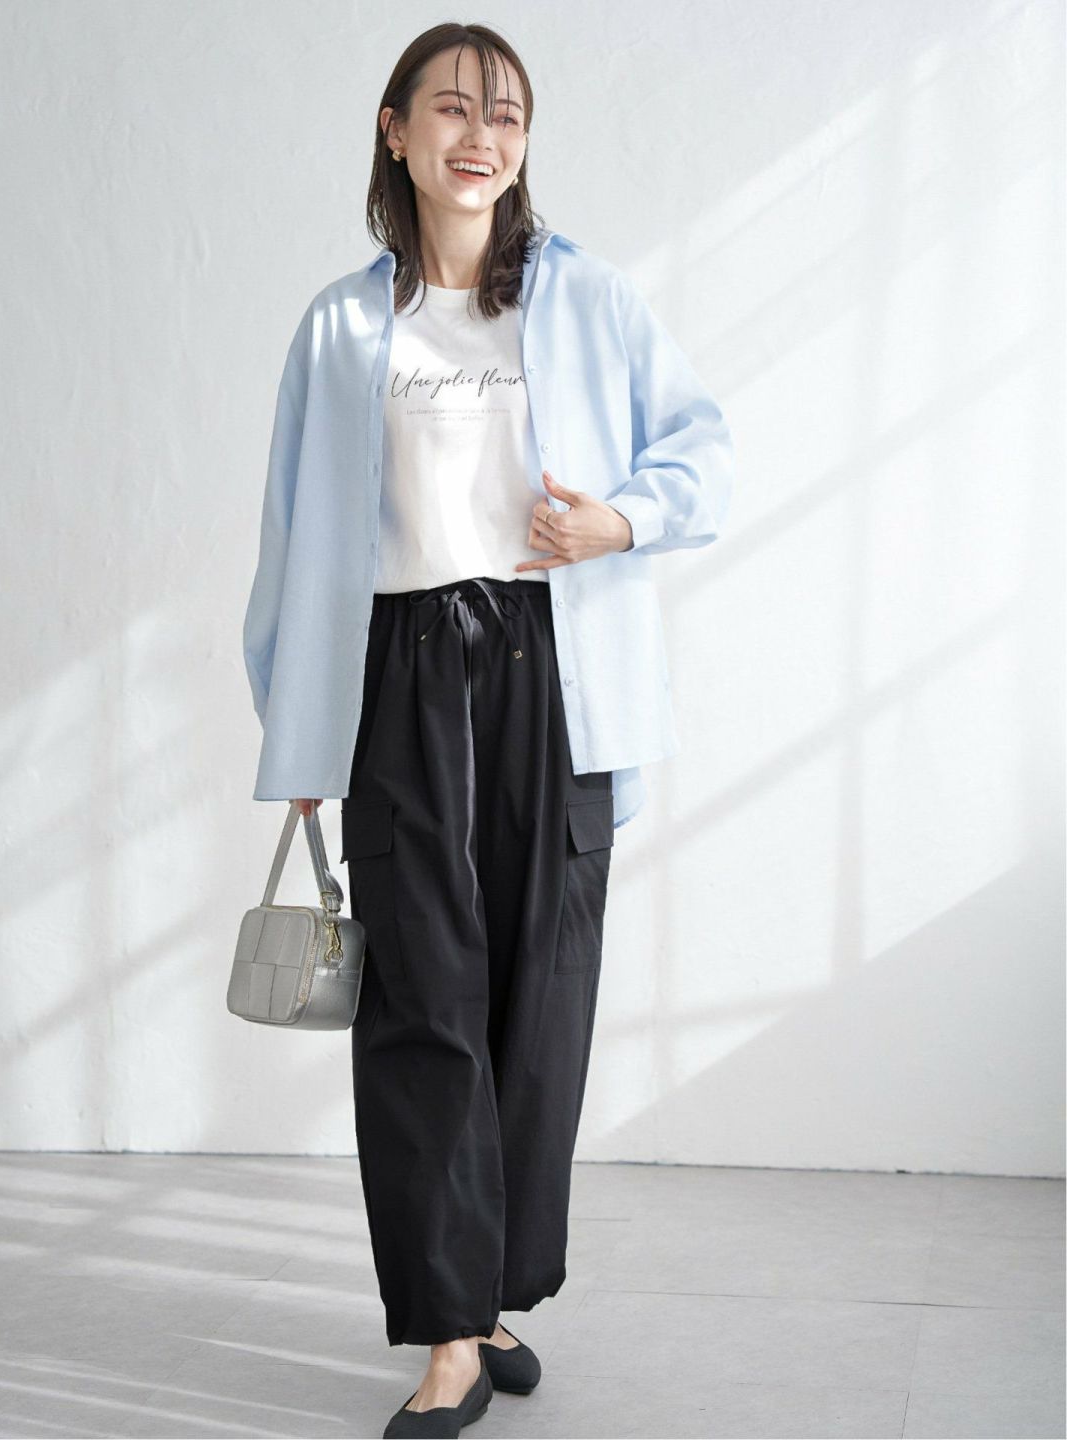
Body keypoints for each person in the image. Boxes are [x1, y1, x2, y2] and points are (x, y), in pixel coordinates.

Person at [243, 22, 734, 1439]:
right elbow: (292, 542)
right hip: (399, 676)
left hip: (553, 669)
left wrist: (617, 521)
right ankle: (452, 1335)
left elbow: (703, 446)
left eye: (506, 113)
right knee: (420, 1004)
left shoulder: (586, 297)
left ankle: (494, 1287)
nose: (481, 135)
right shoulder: (342, 328)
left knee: (540, 1001)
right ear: (394, 129)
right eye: (452, 108)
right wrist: (300, 732)